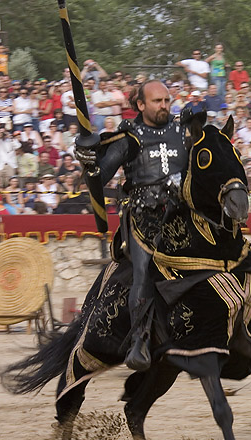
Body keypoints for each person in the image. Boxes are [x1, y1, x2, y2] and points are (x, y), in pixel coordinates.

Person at [75, 80, 188, 372]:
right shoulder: (129, 136)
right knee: (142, 270)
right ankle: (139, 339)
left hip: (183, 217)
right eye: (157, 101)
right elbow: (99, 179)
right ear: (140, 105)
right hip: (144, 219)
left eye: (167, 100)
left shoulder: (183, 132)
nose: (164, 105)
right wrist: (89, 161)